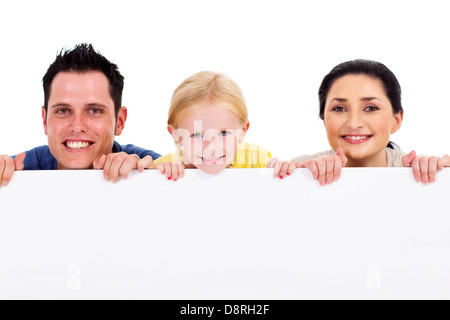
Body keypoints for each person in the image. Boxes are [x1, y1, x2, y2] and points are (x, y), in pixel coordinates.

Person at [0, 43, 160, 187]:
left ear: (120, 121)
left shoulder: (151, 166)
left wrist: (147, 180)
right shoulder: (18, 171)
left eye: (94, 111)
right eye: (62, 111)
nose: (77, 127)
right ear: (44, 120)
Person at [292, 59, 450, 186]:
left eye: (370, 108)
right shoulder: (299, 169)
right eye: (339, 108)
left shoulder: (424, 173)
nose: (354, 124)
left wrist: (440, 178)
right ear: (324, 120)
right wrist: (297, 180)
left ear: (396, 120)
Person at [153, 71, 295, 180]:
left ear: (243, 131)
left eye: (223, 133)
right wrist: (157, 177)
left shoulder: (257, 160)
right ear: (176, 135)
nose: (211, 148)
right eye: (196, 135)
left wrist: (278, 173)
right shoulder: (165, 167)